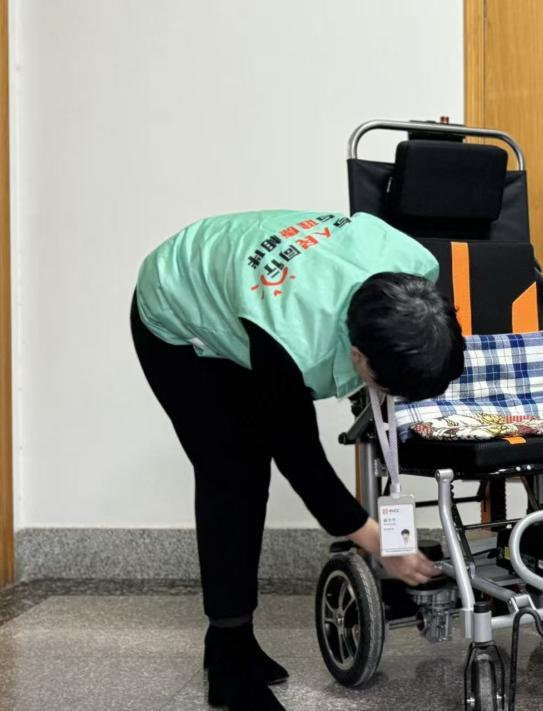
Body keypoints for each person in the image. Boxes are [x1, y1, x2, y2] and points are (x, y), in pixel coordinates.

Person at [131, 209, 463, 710]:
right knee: (232, 475)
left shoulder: (414, 270)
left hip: (249, 300)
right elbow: (300, 458)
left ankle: (230, 642)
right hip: (177, 302)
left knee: (246, 467)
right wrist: (378, 542)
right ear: (357, 356)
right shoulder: (292, 338)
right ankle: (228, 663)